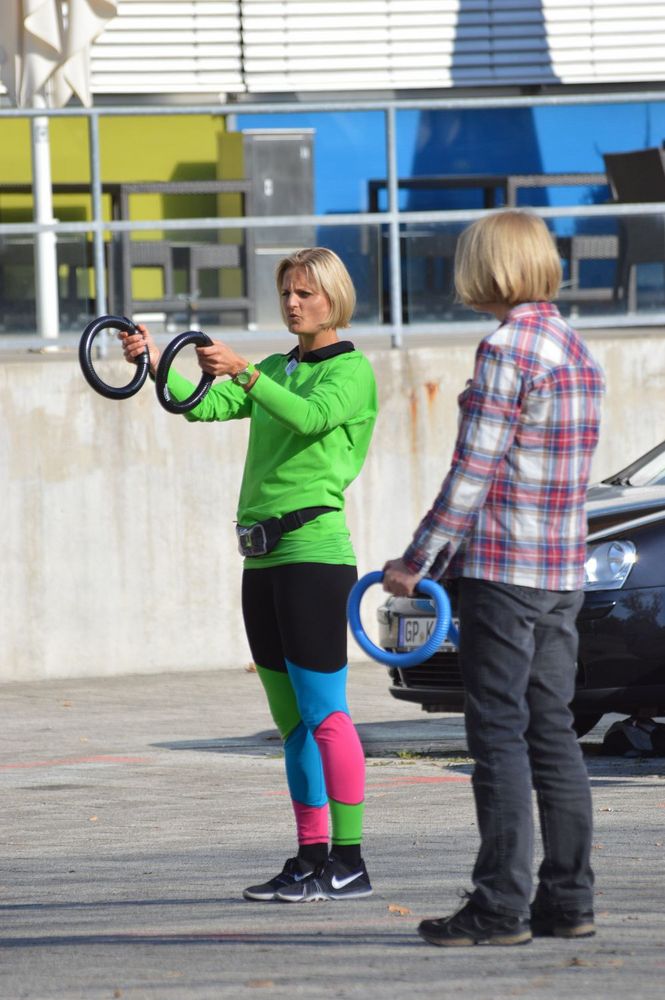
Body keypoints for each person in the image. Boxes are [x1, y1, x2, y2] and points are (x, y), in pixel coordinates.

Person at [121, 247, 378, 903]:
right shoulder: (277, 368)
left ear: (333, 299)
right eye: (286, 292)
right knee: (291, 723)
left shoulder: (349, 372)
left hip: (314, 557)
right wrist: (153, 363)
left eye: (305, 293)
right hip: (260, 560)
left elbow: (310, 416)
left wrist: (245, 372)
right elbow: (198, 407)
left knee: (325, 715)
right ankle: (310, 856)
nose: (292, 303)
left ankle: (349, 861)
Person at [383, 210, 605, 947]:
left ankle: (499, 906)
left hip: (504, 573)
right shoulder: (577, 350)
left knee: (499, 734)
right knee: (552, 733)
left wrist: (414, 561)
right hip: (560, 573)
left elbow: (472, 471)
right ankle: (568, 901)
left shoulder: (506, 349)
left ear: (488, 268)